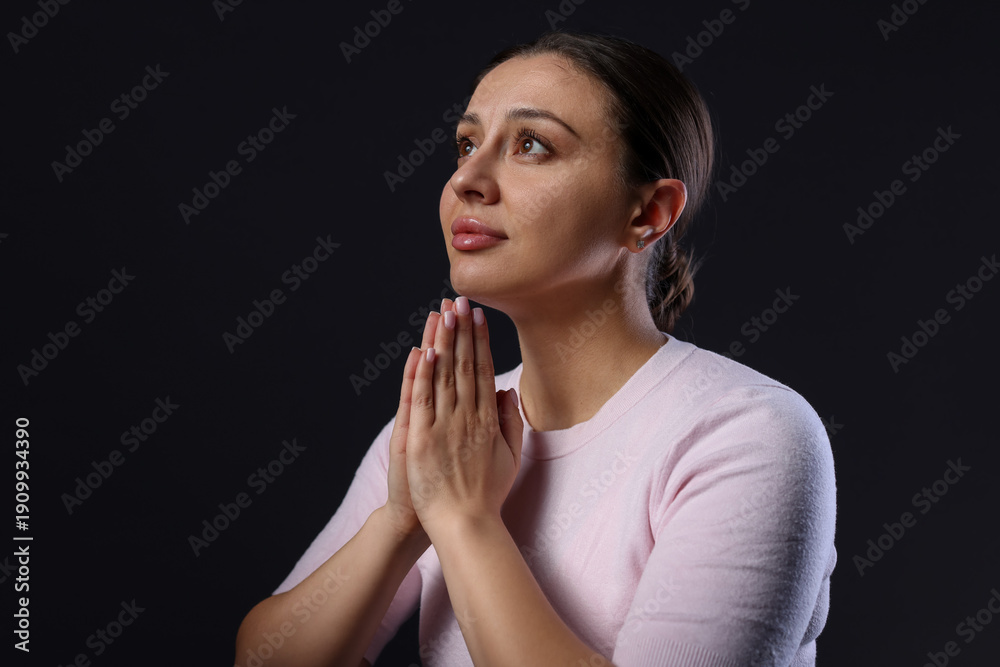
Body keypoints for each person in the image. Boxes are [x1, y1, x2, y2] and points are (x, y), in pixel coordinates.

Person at [234, 31, 837, 667]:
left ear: (649, 213)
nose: (468, 178)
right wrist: (402, 520)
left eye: (532, 145)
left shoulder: (746, 433)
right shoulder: (446, 433)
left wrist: (465, 521)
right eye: (466, 145)